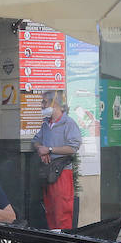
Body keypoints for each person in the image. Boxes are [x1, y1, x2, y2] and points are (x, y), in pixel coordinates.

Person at [32, 90, 81, 230]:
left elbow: (73, 147)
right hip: (48, 172)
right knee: (50, 210)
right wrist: (41, 148)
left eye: (44, 102)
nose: (42, 105)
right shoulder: (46, 124)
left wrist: (50, 149)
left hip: (62, 173)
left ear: (55, 103)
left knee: (62, 211)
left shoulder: (68, 123)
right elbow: (35, 141)